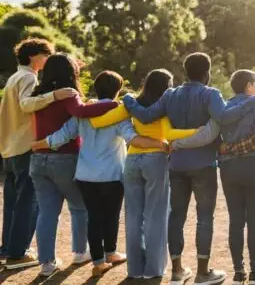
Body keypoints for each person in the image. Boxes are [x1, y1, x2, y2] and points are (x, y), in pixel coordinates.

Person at [123, 52, 255, 285]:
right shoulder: (210, 94)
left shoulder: (170, 94)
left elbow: (146, 116)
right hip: (204, 165)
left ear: (185, 72)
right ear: (207, 73)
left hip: (177, 164)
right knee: (204, 217)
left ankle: (177, 272)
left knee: (176, 216)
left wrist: (128, 99)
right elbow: (225, 117)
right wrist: (254, 100)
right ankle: (202, 272)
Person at [31, 71, 172, 277]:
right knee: (111, 216)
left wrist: (36, 145)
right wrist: (162, 144)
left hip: (85, 175)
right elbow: (132, 138)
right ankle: (111, 253)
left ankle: (98, 262)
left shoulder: (83, 113)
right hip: (112, 175)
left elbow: (62, 136)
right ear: (117, 91)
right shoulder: (117, 114)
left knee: (93, 217)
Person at [176, 69, 255, 285]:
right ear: (250, 86)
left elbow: (212, 134)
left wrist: (179, 143)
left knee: (236, 220)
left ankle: (238, 272)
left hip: (229, 168)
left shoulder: (222, 107)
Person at [88, 68, 207, 281]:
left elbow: (98, 122)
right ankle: (153, 269)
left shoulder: (131, 104)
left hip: (132, 161)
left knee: (133, 217)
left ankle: (135, 270)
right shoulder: (164, 106)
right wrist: (198, 131)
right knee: (156, 216)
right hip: (156, 160)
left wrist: (91, 106)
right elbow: (170, 134)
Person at [29, 54, 119, 276]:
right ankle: (80, 252)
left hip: (38, 158)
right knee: (80, 207)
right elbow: (81, 112)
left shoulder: (39, 94)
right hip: (64, 157)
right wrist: (117, 104)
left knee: (47, 213)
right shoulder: (69, 93)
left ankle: (47, 264)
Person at [0, 39, 76, 270]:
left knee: (12, 202)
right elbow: (26, 104)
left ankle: (9, 249)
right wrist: (55, 95)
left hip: (9, 148)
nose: (49, 60)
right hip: (24, 147)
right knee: (27, 202)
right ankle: (18, 254)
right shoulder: (28, 77)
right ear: (34, 56)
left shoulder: (14, 77)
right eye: (47, 55)